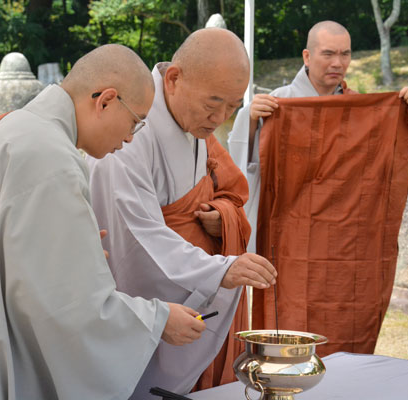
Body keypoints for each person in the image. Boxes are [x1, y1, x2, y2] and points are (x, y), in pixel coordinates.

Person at [0, 44, 206, 400]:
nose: (129, 138)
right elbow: (68, 308)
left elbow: (13, 253)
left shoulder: (6, 128)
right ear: (106, 101)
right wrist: (158, 319)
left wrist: (71, 254)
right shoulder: (49, 157)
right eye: (135, 122)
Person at [87, 28, 277, 399]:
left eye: (232, 107)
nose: (219, 118)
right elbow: (136, 235)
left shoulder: (192, 123)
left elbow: (229, 189)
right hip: (140, 304)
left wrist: (222, 219)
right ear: (173, 79)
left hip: (189, 284)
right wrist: (218, 270)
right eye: (213, 104)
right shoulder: (131, 128)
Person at [228, 20, 408, 356]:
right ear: (307, 56)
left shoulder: (360, 110)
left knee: (347, 318)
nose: (338, 63)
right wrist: (250, 122)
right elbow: (241, 174)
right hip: (291, 240)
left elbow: (388, 166)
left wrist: (405, 111)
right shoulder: (276, 104)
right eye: (328, 54)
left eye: (345, 54)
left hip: (349, 242)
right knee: (289, 323)